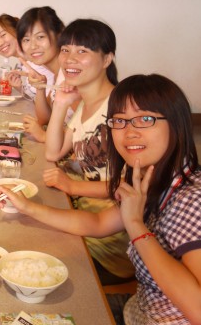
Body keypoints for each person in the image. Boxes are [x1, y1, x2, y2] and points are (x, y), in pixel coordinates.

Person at [0, 74, 201, 325]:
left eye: (145, 119)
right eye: (119, 121)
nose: (129, 132)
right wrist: (27, 207)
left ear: (177, 124)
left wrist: (135, 225)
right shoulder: (151, 179)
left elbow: (200, 309)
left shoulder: (198, 199)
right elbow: (97, 223)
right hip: (138, 311)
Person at [43, 18, 134, 284]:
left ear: (107, 59)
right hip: (84, 220)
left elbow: (132, 187)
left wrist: (72, 186)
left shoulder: (121, 109)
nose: (70, 59)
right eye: (65, 50)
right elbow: (53, 153)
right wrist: (61, 104)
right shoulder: (86, 103)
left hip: (110, 244)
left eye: (82, 51)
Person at [15, 6, 66, 142]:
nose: (33, 46)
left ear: (59, 35)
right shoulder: (57, 74)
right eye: (26, 40)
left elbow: (86, 129)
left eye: (40, 37)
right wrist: (40, 88)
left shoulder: (70, 75)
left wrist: (44, 136)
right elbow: (45, 119)